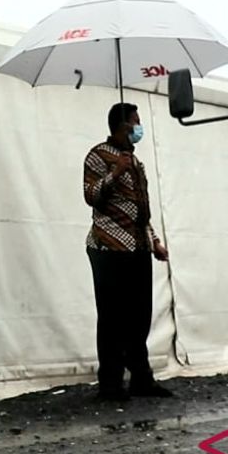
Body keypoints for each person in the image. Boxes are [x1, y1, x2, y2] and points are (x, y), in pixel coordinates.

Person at [82, 103, 173, 401]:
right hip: (108, 247)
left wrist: (154, 240)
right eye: (135, 121)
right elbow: (91, 196)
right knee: (111, 317)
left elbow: (141, 210)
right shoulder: (97, 156)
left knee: (139, 316)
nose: (139, 127)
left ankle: (141, 379)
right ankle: (110, 382)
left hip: (136, 246)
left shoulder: (136, 163)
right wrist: (114, 173)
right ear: (121, 126)